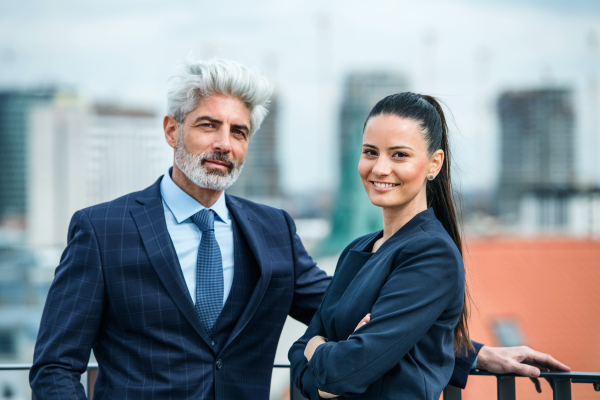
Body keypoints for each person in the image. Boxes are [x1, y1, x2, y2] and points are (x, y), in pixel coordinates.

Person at [30, 59, 568, 400]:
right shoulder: (102, 231)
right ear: (173, 130)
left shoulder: (271, 230)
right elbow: (55, 367)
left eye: (238, 131)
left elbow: (343, 311)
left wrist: (471, 354)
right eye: (208, 125)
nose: (224, 142)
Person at [288, 92, 569, 400]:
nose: (380, 168)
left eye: (399, 155)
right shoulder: (358, 249)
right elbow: (298, 354)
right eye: (370, 152)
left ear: (434, 164)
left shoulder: (432, 254)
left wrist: (319, 349)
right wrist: (326, 356)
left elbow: (340, 373)